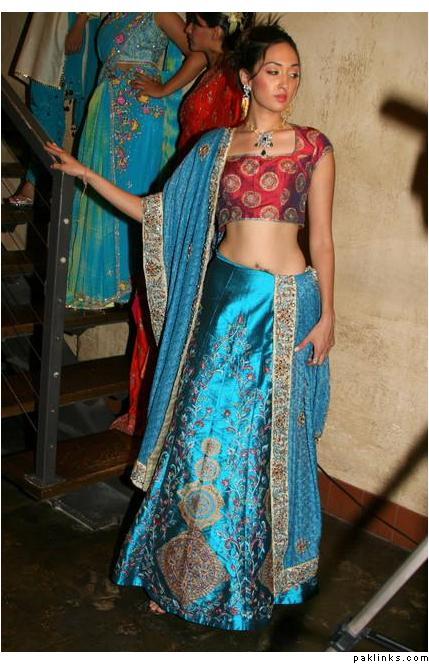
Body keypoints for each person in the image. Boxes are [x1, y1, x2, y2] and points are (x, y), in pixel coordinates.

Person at [45, 22, 335, 631]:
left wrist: (328, 314)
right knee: (198, 432)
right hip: (224, 305)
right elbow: (156, 214)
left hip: (287, 308)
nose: (285, 83)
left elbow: (324, 240)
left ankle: (249, 582)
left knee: (264, 444)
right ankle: (174, 577)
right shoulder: (214, 148)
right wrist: (86, 174)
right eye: (274, 71)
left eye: (294, 73)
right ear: (247, 78)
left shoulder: (314, 147)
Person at [112, 11, 254, 437]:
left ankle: (165, 418)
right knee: (151, 303)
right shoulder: (211, 69)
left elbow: (234, 152)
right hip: (183, 196)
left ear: (218, 30)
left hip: (202, 208)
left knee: (172, 309)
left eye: (194, 23)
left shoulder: (232, 81)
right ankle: (148, 412)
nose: (186, 29)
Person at [65, 12, 205, 309]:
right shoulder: (110, 15)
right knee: (102, 190)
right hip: (105, 109)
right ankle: (106, 284)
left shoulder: (158, 11)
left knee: (132, 190)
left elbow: (200, 55)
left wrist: (164, 88)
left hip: (138, 115)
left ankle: (131, 284)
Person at [9, 12, 101, 207]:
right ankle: (36, 182)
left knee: (86, 111)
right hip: (50, 21)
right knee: (44, 106)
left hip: (76, 20)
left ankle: (69, 191)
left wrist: (81, 20)